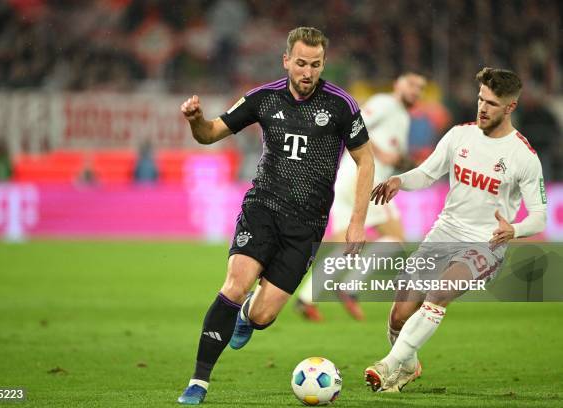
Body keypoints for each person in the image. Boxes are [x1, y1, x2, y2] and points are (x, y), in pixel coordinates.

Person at [177, 27, 375, 405]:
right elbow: (210, 133)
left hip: (307, 225)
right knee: (235, 284)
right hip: (263, 208)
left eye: (315, 65)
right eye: (300, 63)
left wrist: (356, 222)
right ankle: (198, 382)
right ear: (286, 60)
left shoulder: (341, 105)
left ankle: (248, 316)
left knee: (264, 315)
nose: (307, 72)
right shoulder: (262, 98)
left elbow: (365, 160)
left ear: (323, 64)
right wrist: (195, 120)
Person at [364, 67, 547, 392]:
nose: (482, 108)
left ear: (510, 107)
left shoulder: (523, 157)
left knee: (440, 292)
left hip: (485, 244)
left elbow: (539, 217)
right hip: (443, 235)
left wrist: (514, 231)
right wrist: (399, 180)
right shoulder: (459, 135)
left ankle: (388, 365)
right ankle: (408, 364)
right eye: (480, 99)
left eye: (491, 103)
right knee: (398, 315)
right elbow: (427, 173)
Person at [296, 72, 426, 321]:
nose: (415, 91)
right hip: (366, 180)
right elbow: (355, 125)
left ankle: (306, 298)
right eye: (411, 84)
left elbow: (387, 149)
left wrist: (398, 160)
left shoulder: (400, 115)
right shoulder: (386, 104)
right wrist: (382, 155)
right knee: (395, 237)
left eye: (420, 88)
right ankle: (350, 287)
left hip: (347, 178)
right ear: (397, 84)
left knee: (346, 245)